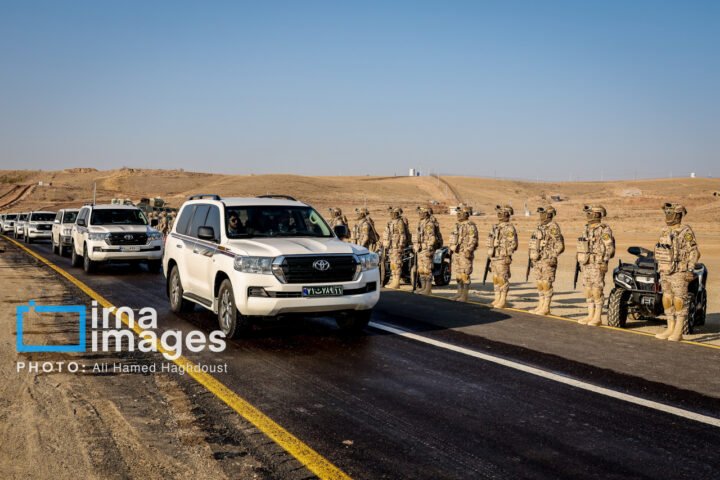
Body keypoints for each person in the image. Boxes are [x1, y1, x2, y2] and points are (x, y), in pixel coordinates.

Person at [654, 203, 700, 341]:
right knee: (667, 299)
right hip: (665, 270)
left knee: (679, 300)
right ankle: (670, 328)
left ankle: (678, 331)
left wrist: (690, 269)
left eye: (670, 213)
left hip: (680, 271)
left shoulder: (686, 231)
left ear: (678, 215)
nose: (668, 215)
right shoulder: (664, 230)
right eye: (666, 212)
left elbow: (694, 251)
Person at [576, 205, 615, 326]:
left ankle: (597, 317)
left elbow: (609, 248)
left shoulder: (604, 229)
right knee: (588, 290)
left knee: (597, 290)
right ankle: (590, 315)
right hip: (586, 263)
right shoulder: (586, 228)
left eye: (590, 212)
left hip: (597, 264)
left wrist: (604, 261)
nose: (588, 215)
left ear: (597, 214)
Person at [528, 205, 565, 315]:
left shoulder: (553, 227)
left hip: (547, 260)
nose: (541, 215)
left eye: (543, 213)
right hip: (538, 260)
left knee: (546, 283)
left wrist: (551, 256)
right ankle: (540, 305)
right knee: (540, 283)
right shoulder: (539, 226)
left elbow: (559, 245)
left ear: (548, 214)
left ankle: (546, 307)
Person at [487, 204, 518, 308]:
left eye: (501, 212)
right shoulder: (495, 227)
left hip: (502, 256)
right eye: (498, 212)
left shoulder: (509, 228)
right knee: (495, 278)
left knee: (502, 279)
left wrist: (508, 254)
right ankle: (497, 298)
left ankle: (503, 300)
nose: (499, 214)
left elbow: (513, 243)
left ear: (506, 214)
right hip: (494, 256)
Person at [448, 205, 478, 302]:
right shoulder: (457, 225)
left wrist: (469, 250)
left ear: (466, 214)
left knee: (465, 274)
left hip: (465, 253)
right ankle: (459, 293)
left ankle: (464, 296)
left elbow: (473, 239)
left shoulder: (470, 225)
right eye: (458, 213)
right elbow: (453, 238)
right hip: (457, 252)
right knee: (458, 275)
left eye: (460, 213)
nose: (458, 215)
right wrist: (451, 248)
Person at [415, 206, 440, 295]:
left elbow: (432, 237)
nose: (419, 214)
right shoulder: (420, 223)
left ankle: (428, 289)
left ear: (426, 213)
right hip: (420, 249)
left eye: (421, 212)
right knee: (421, 269)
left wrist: (429, 247)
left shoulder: (429, 224)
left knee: (427, 269)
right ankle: (423, 287)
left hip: (426, 249)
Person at [383, 207, 408, 289]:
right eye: (391, 213)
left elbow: (402, 235)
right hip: (391, 247)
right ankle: (394, 281)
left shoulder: (399, 222)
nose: (392, 215)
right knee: (393, 264)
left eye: (393, 213)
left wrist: (400, 245)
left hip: (397, 247)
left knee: (397, 264)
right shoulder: (391, 222)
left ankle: (396, 282)